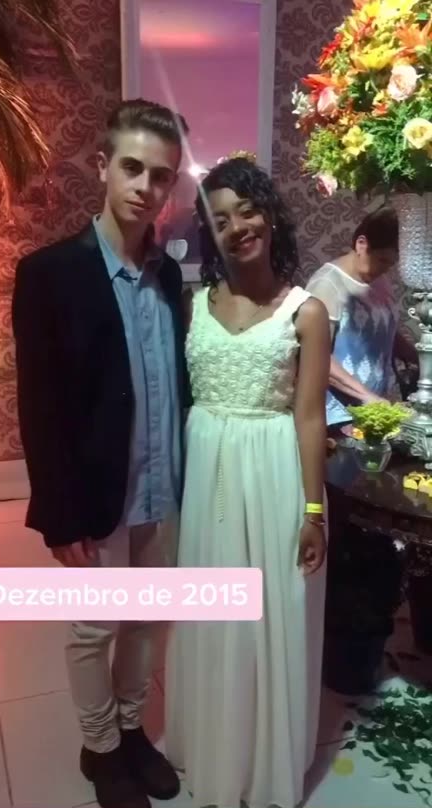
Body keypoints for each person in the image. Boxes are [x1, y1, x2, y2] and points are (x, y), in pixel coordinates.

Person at [12, 98, 190, 808]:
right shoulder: (50, 274)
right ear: (103, 166)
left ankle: (130, 729)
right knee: (93, 628)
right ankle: (101, 747)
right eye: (133, 168)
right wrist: (58, 515)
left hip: (162, 487)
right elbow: (40, 406)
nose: (146, 187)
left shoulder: (169, 277)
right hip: (96, 493)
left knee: (146, 619)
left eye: (161, 175)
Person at [165, 156, 330, 808]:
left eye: (248, 210)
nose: (238, 227)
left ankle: (264, 761)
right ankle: (215, 747)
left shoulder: (306, 312)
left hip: (274, 477)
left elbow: (310, 417)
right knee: (213, 618)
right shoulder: (192, 305)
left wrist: (313, 510)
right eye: (221, 220)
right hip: (208, 480)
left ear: (270, 215)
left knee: (269, 618)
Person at [306, 206, 417, 430]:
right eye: (382, 260)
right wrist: (366, 396)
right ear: (361, 244)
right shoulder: (327, 285)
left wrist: (417, 358)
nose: (385, 269)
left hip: (373, 410)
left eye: (391, 263)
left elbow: (382, 330)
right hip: (338, 415)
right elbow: (316, 357)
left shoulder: (378, 279)